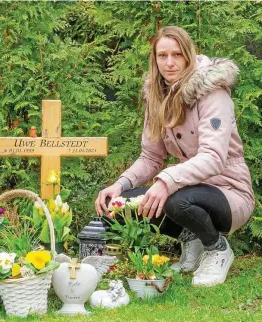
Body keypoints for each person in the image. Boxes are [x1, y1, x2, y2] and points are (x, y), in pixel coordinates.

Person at [95, 26, 254, 287]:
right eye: (162, 56)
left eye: (177, 55)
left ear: (188, 55)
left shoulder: (213, 92)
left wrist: (166, 180)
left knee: (175, 200)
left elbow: (214, 158)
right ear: (155, 59)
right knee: (120, 205)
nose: (169, 63)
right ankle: (192, 239)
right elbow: (151, 157)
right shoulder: (157, 96)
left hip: (229, 192)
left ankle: (217, 249)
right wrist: (119, 184)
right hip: (186, 189)